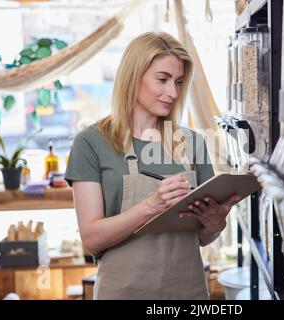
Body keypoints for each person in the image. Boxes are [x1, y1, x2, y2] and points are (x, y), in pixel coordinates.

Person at [64, 32, 239, 300]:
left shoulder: (192, 142)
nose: (174, 92)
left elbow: (203, 237)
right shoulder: (91, 143)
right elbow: (91, 238)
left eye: (179, 82)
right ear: (133, 76)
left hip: (188, 292)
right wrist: (151, 206)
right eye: (163, 79)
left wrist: (214, 224)